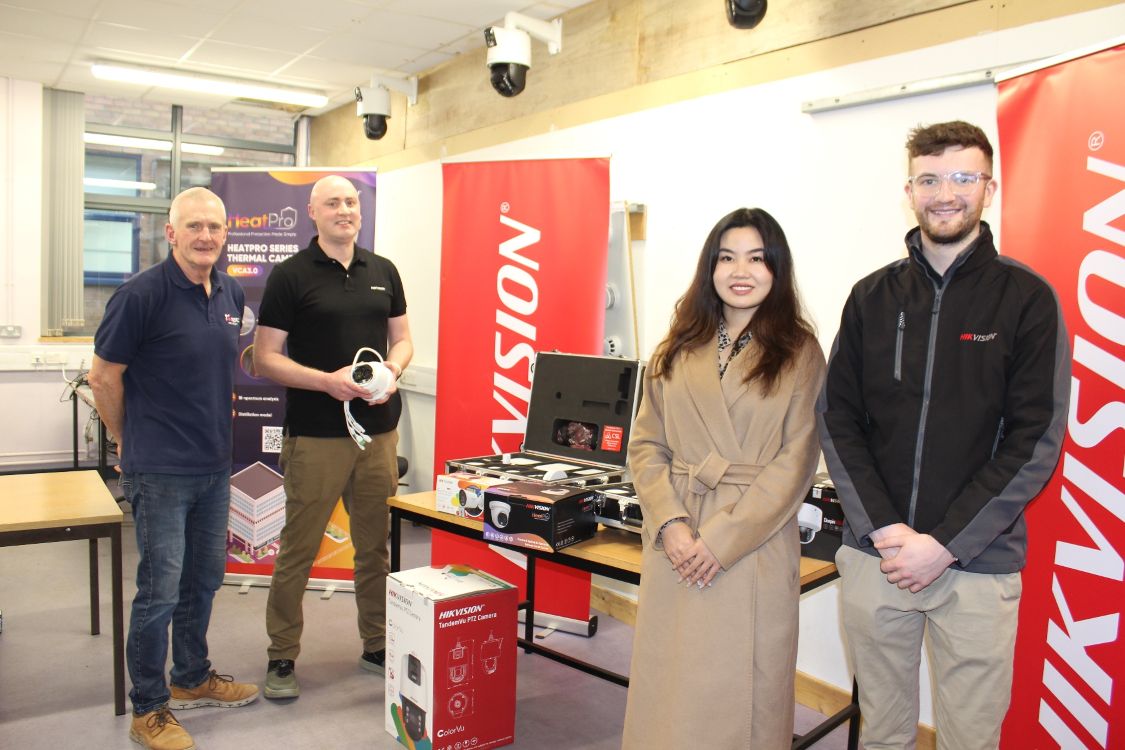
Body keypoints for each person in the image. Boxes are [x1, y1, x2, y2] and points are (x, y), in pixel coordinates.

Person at [817, 121, 1069, 750]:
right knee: (883, 733)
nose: (946, 192)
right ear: (910, 190)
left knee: (971, 738)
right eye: (930, 179)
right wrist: (883, 529)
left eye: (963, 177)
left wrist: (946, 543)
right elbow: (836, 418)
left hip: (979, 565)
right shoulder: (871, 297)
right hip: (878, 555)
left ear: (990, 187)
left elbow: (1034, 438)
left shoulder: (1027, 298)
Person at [622, 208, 825, 749]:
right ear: (709, 268)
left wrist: (721, 540)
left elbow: (796, 460)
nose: (742, 270)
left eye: (757, 258)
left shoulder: (800, 352)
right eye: (727, 257)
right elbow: (645, 445)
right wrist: (670, 524)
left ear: (776, 269)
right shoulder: (677, 345)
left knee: (745, 696)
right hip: (678, 534)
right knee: (670, 682)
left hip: (751, 541)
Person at [89, 187, 259, 750]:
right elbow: (103, 376)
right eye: (194, 226)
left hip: (213, 465)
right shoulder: (141, 295)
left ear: (225, 232)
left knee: (203, 581)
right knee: (159, 591)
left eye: (214, 226)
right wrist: (124, 437)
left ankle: (190, 678)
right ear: (171, 233)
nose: (205, 236)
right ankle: (149, 707)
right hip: (159, 470)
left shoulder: (230, 291)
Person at [254, 174, 413, 700]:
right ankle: (282, 656)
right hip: (317, 434)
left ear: (360, 212)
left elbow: (405, 338)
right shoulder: (290, 276)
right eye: (333, 203)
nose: (345, 210)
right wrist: (327, 382)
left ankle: (375, 643)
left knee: (374, 549)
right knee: (298, 548)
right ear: (312, 212)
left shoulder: (383, 271)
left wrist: (391, 369)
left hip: (378, 434)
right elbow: (265, 357)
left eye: (352, 201)